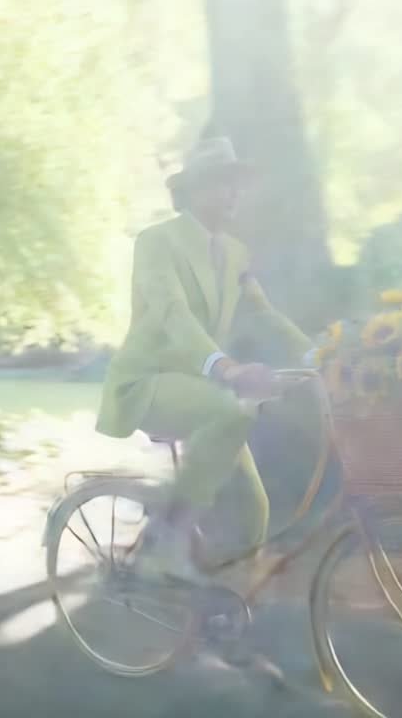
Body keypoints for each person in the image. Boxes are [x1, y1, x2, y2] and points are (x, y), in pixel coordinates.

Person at [95, 137, 312, 580]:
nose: (231, 194)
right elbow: (171, 311)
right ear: (190, 193)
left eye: (235, 185)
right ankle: (168, 539)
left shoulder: (234, 253)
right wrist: (225, 367)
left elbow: (263, 312)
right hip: (150, 382)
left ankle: (225, 616)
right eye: (218, 184)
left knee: (254, 506)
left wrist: (319, 353)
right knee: (232, 412)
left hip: (204, 389)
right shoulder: (156, 242)